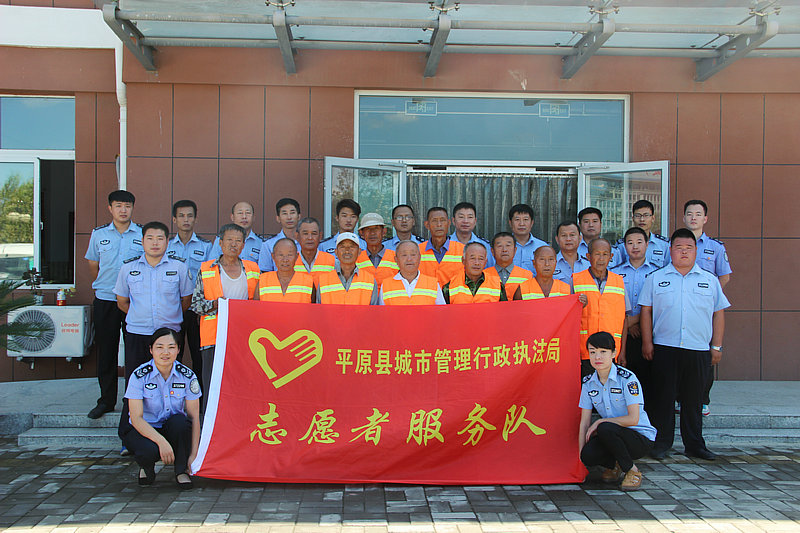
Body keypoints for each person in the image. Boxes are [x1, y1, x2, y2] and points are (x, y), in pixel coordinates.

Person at [639, 228, 729, 461]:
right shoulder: (656, 278)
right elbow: (646, 311)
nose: (684, 252)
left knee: (693, 400)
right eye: (679, 248)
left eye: (689, 248)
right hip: (664, 347)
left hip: (698, 348)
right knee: (663, 398)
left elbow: (719, 314)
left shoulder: (709, 280)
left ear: (696, 251)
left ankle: (695, 445)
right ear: (670, 250)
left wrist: (716, 346)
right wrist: (647, 342)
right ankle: (661, 443)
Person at [85, 190, 143, 419]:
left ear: (133, 208)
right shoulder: (98, 234)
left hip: (133, 301)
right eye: (118, 206)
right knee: (106, 351)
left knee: (135, 352)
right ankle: (106, 401)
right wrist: (107, 285)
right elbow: (94, 265)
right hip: (106, 299)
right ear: (110, 208)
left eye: (127, 206)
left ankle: (133, 401)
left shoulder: (142, 233)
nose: (123, 210)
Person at [121, 328, 201, 489]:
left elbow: (194, 418)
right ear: (151, 350)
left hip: (171, 427)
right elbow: (136, 418)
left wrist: (194, 455)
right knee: (147, 450)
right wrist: (161, 442)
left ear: (178, 350)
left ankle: (181, 471)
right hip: (144, 429)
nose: (165, 352)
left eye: (171, 347)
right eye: (159, 347)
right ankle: (146, 467)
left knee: (181, 424)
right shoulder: (139, 376)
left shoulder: (187, 376)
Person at [191, 224, 260, 413]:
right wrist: (215, 304)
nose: (233, 244)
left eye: (238, 241)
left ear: (243, 245)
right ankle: (209, 428)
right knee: (213, 387)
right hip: (214, 338)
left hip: (244, 339)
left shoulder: (253, 269)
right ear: (220, 243)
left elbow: (259, 304)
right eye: (229, 240)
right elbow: (196, 305)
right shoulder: (207, 269)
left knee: (241, 386)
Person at [114, 221, 193, 382]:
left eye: (160, 238)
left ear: (167, 242)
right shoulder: (128, 268)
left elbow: (186, 300)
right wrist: (139, 315)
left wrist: (171, 315)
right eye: (150, 238)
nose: (155, 243)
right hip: (138, 333)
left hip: (169, 333)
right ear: (142, 241)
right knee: (136, 379)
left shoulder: (179, 267)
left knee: (170, 380)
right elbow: (121, 301)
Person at [579, 332, 656, 491]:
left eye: (603, 352)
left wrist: (601, 421)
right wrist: (580, 459)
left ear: (614, 353)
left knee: (605, 428)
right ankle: (615, 465)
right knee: (588, 454)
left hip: (639, 437)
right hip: (612, 434)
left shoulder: (627, 379)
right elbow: (584, 422)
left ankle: (632, 471)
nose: (597, 357)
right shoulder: (588, 383)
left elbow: (633, 419)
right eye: (592, 352)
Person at [684, 199, 732, 416]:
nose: (693, 217)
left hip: (705, 309)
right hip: (681, 305)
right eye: (689, 214)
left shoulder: (715, 247)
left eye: (697, 214)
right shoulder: (675, 244)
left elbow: (724, 276)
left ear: (705, 218)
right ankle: (681, 397)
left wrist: (710, 298)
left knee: (705, 353)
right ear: (684, 218)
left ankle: (703, 398)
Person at [611, 227, 659, 411]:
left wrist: (636, 322)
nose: (635, 247)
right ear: (624, 246)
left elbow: (659, 306)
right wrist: (628, 326)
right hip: (622, 334)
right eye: (630, 243)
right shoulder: (614, 273)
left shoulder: (658, 273)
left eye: (639, 242)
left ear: (647, 244)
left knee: (648, 379)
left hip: (650, 334)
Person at [166, 200, 211, 379]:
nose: (186, 220)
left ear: (196, 219)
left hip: (196, 308)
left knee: (198, 353)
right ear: (174, 219)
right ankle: (174, 389)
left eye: (190, 216)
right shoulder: (167, 245)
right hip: (173, 307)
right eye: (181, 216)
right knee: (172, 351)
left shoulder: (206, 246)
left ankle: (198, 392)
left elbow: (209, 278)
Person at [573, 238, 629, 378]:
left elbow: (624, 319)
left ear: (611, 257)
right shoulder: (576, 280)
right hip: (585, 350)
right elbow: (568, 317)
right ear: (588, 256)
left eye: (605, 254)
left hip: (611, 350)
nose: (601, 259)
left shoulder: (619, 282)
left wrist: (622, 351)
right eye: (597, 254)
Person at [318, 233, 380, 305]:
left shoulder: (370, 280)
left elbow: (373, 311)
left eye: (352, 247)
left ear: (359, 252)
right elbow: (318, 311)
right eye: (342, 247)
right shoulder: (324, 281)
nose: (347, 251)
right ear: (336, 252)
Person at [380, 240, 445, 305]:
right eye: (404, 255)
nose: (409, 259)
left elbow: (441, 310)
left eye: (413, 255)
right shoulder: (386, 285)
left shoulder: (433, 284)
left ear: (419, 258)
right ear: (396, 259)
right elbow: (381, 311)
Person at [611, 200, 670, 269]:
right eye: (638, 216)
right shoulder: (621, 245)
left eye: (646, 215)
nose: (642, 219)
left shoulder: (664, 245)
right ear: (633, 218)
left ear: (653, 218)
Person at [419, 207, 465, 286]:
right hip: (425, 293)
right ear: (427, 225)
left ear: (449, 223)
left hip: (454, 294)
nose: (439, 224)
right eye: (434, 221)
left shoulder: (463, 250)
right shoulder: (417, 250)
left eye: (442, 220)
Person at [259, 238, 315, 303]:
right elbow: (255, 307)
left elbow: (314, 307)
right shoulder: (263, 280)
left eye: (289, 255)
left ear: (297, 256)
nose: (285, 260)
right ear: (273, 256)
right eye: (281, 255)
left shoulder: (308, 281)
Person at [483, 232, 531, 300]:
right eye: (499, 246)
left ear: (515, 250)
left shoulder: (527, 276)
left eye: (508, 245)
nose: (504, 250)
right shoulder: (483, 275)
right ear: (492, 251)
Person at [258, 198, 301, 272]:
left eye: (292, 213)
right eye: (284, 213)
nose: (289, 217)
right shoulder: (268, 245)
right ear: (278, 218)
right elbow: (265, 273)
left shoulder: (307, 242)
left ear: (299, 216)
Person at [356, 213, 399, 285]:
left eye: (376, 228)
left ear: (384, 232)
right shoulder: (356, 259)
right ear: (362, 233)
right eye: (368, 229)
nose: (372, 233)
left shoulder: (396, 257)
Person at [449, 202, 494, 268]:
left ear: (475, 221)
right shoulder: (445, 245)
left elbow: (490, 269)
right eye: (461, 217)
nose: (465, 221)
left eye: (470, 217)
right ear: (453, 221)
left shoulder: (485, 245)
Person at [508, 203, 548, 274]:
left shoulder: (542, 247)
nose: (521, 224)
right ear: (510, 223)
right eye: (517, 219)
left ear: (532, 223)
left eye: (525, 219)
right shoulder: (503, 247)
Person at [295, 217, 336, 285]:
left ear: (320, 236)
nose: (310, 238)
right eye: (305, 233)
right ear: (297, 236)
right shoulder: (290, 261)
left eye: (314, 234)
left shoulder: (332, 261)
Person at [553, 221, 590, 287]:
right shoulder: (550, 264)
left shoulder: (589, 265)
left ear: (580, 238)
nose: (568, 239)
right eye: (564, 235)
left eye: (572, 235)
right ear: (557, 239)